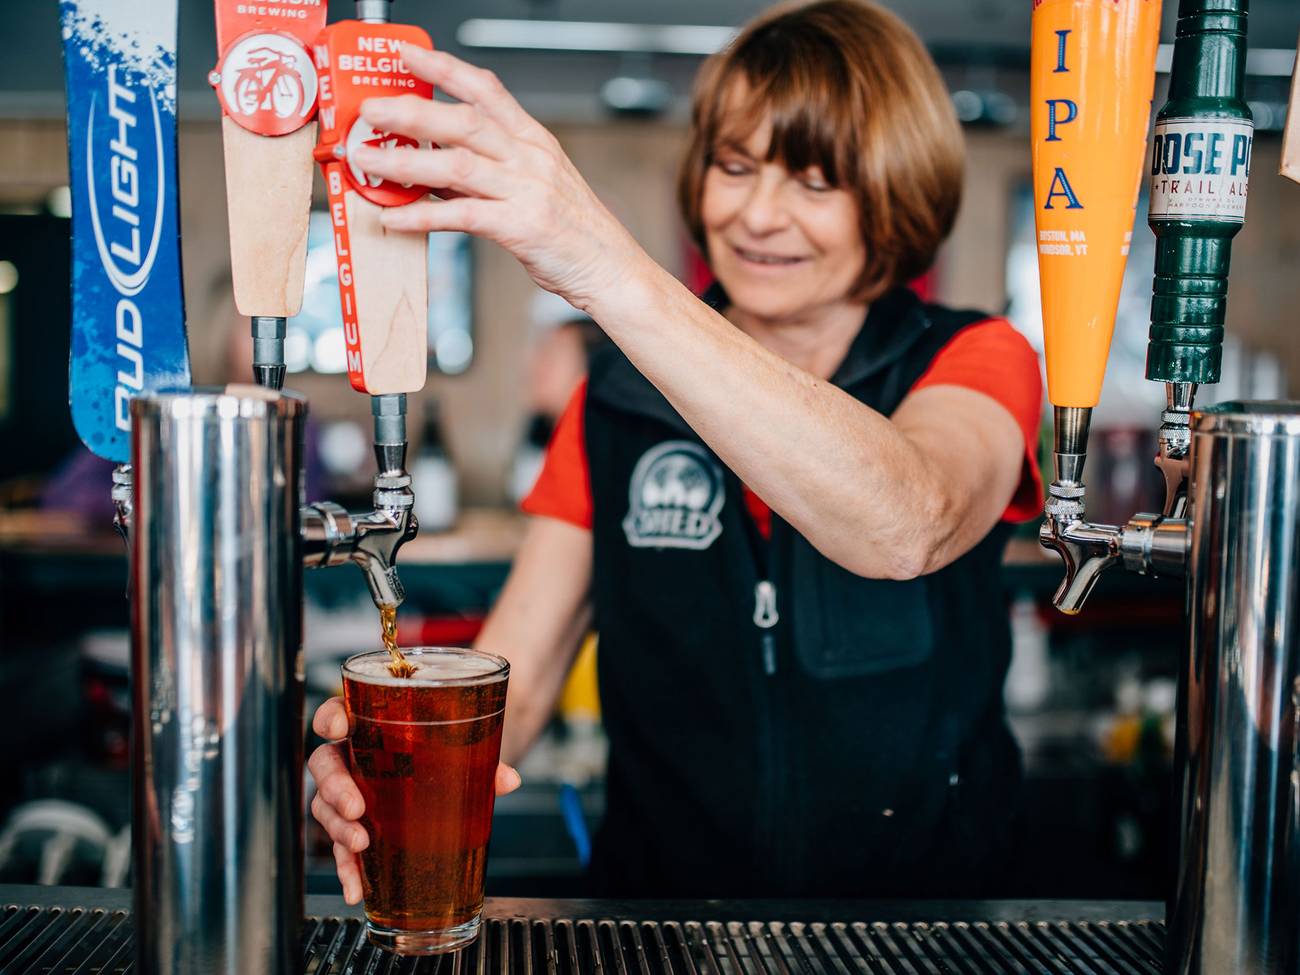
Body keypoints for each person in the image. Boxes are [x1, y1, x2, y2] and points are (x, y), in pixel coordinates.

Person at [309, 0, 1043, 899]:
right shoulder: (618, 395)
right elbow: (521, 680)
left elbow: (908, 523)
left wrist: (607, 269)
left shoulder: (974, 355)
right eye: (735, 166)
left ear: (898, 191)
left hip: (924, 930)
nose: (758, 216)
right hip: (665, 925)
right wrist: (398, 766)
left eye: (815, 183)